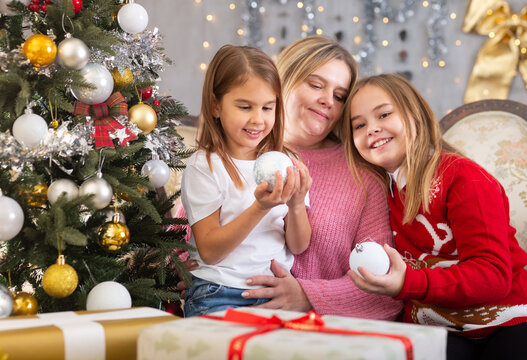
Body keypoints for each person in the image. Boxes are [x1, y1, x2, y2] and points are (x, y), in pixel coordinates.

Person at [345, 73, 527, 359]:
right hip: (438, 327)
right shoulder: (380, 192)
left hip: (506, 320)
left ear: (414, 115)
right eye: (359, 124)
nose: (372, 129)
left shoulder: (463, 178)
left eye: (384, 114)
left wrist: (407, 284)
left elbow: (492, 275)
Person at [240, 36, 402, 319]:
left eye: (339, 97)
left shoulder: (363, 175)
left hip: (317, 333)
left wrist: (308, 296)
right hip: (224, 316)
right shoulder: (240, 151)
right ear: (282, 81)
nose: (328, 100)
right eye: (316, 85)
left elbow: (384, 286)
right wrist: (190, 273)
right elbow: (183, 235)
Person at [180, 44, 311, 317]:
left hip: (273, 295)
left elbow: (298, 246)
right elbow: (210, 251)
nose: (258, 119)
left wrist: (297, 206)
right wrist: (259, 208)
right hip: (218, 291)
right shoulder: (204, 166)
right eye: (244, 106)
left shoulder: (284, 161)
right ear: (216, 105)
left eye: (267, 107)